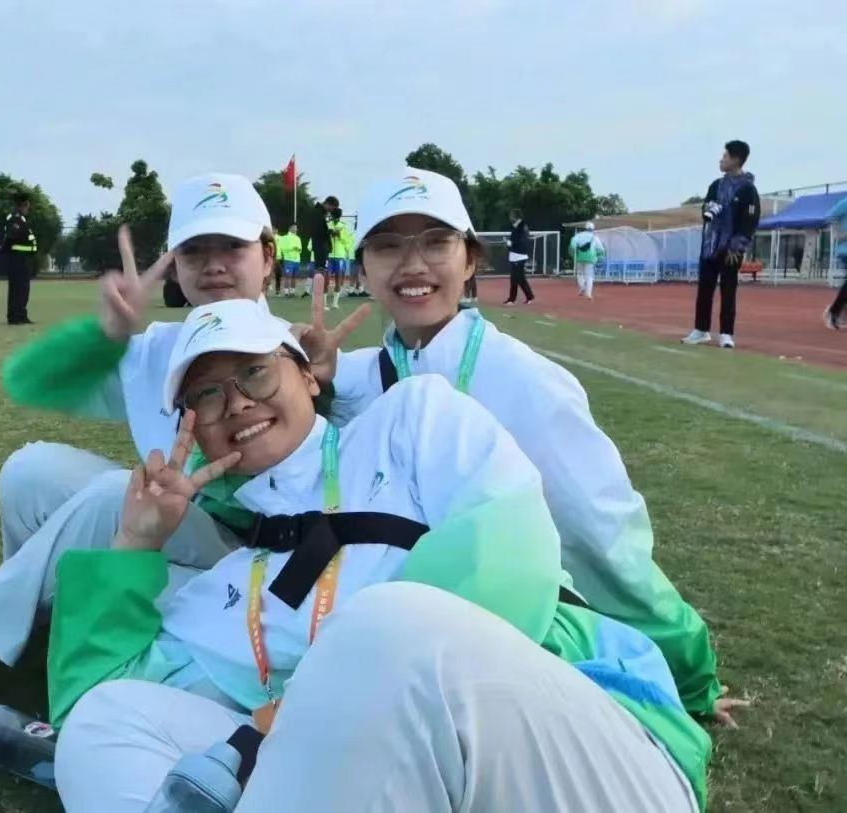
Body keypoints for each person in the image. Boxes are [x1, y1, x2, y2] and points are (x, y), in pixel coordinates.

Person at [51, 299, 709, 812]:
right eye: (207, 393)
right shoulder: (234, 583)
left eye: (254, 370)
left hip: (576, 753)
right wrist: (136, 543)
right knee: (101, 722)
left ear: (306, 374)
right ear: (192, 425)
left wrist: (298, 710)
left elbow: (511, 551)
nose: (238, 401)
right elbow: (94, 694)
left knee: (386, 621)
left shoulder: (410, 421)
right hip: (393, 785)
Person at [0, 173, 317, 707]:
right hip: (176, 526)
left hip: (258, 559)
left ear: (267, 257)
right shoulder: (157, 351)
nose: (214, 264)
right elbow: (27, 382)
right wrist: (106, 336)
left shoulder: (302, 351)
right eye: (195, 251)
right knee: (30, 471)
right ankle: (29, 614)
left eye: (232, 246)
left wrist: (329, 381)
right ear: (175, 265)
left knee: (118, 495)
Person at [311, 168, 735, 722]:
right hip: (391, 648)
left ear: (470, 259)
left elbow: (602, 533)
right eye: (388, 246)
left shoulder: (525, 381)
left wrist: (688, 671)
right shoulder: (353, 379)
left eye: (435, 242)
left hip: (509, 642)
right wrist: (311, 387)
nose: (412, 264)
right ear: (362, 267)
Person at [681, 140, 760, 349]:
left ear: (736, 159)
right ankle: (701, 330)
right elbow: (706, 208)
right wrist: (709, 208)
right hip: (710, 246)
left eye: (725, 156)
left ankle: (726, 333)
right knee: (704, 289)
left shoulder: (748, 190)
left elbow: (749, 222)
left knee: (728, 290)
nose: (721, 160)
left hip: (731, 249)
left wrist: (737, 246)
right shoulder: (716, 185)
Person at [2, 194, 38, 324]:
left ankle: (21, 315)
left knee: (23, 288)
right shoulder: (15, 219)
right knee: (17, 288)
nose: (28, 209)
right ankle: (15, 316)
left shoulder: (21, 219)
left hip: (23, 258)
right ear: (22, 205)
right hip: (18, 258)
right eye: (27, 206)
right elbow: (12, 237)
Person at [822, 195, 847, 330]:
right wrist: (840, 234)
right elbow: (831, 216)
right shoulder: (845, 202)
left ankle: (838, 311)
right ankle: (834, 312)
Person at [503, 207, 535, 305]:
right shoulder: (517, 227)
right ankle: (527, 297)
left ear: (516, 217)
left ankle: (514, 299)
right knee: (518, 278)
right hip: (516, 255)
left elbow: (520, 242)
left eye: (512, 216)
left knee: (517, 278)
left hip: (519, 256)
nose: (510, 218)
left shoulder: (521, 228)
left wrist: (510, 243)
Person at [570, 221, 605, 299]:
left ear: (585, 228)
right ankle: (588, 294)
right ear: (593, 229)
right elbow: (601, 249)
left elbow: (572, 245)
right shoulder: (595, 237)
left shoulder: (578, 235)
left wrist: (574, 252)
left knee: (580, 273)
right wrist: (599, 256)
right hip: (591, 258)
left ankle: (582, 286)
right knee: (589, 275)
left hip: (580, 257)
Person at [275, 223, 301, 297]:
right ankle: (286, 292)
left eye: (296, 228)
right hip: (288, 260)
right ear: (290, 228)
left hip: (297, 260)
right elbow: (282, 248)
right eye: (294, 227)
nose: (295, 229)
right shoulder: (284, 238)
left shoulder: (298, 238)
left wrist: (298, 249)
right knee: (288, 276)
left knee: (294, 276)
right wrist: (292, 248)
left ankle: (292, 292)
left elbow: (300, 249)